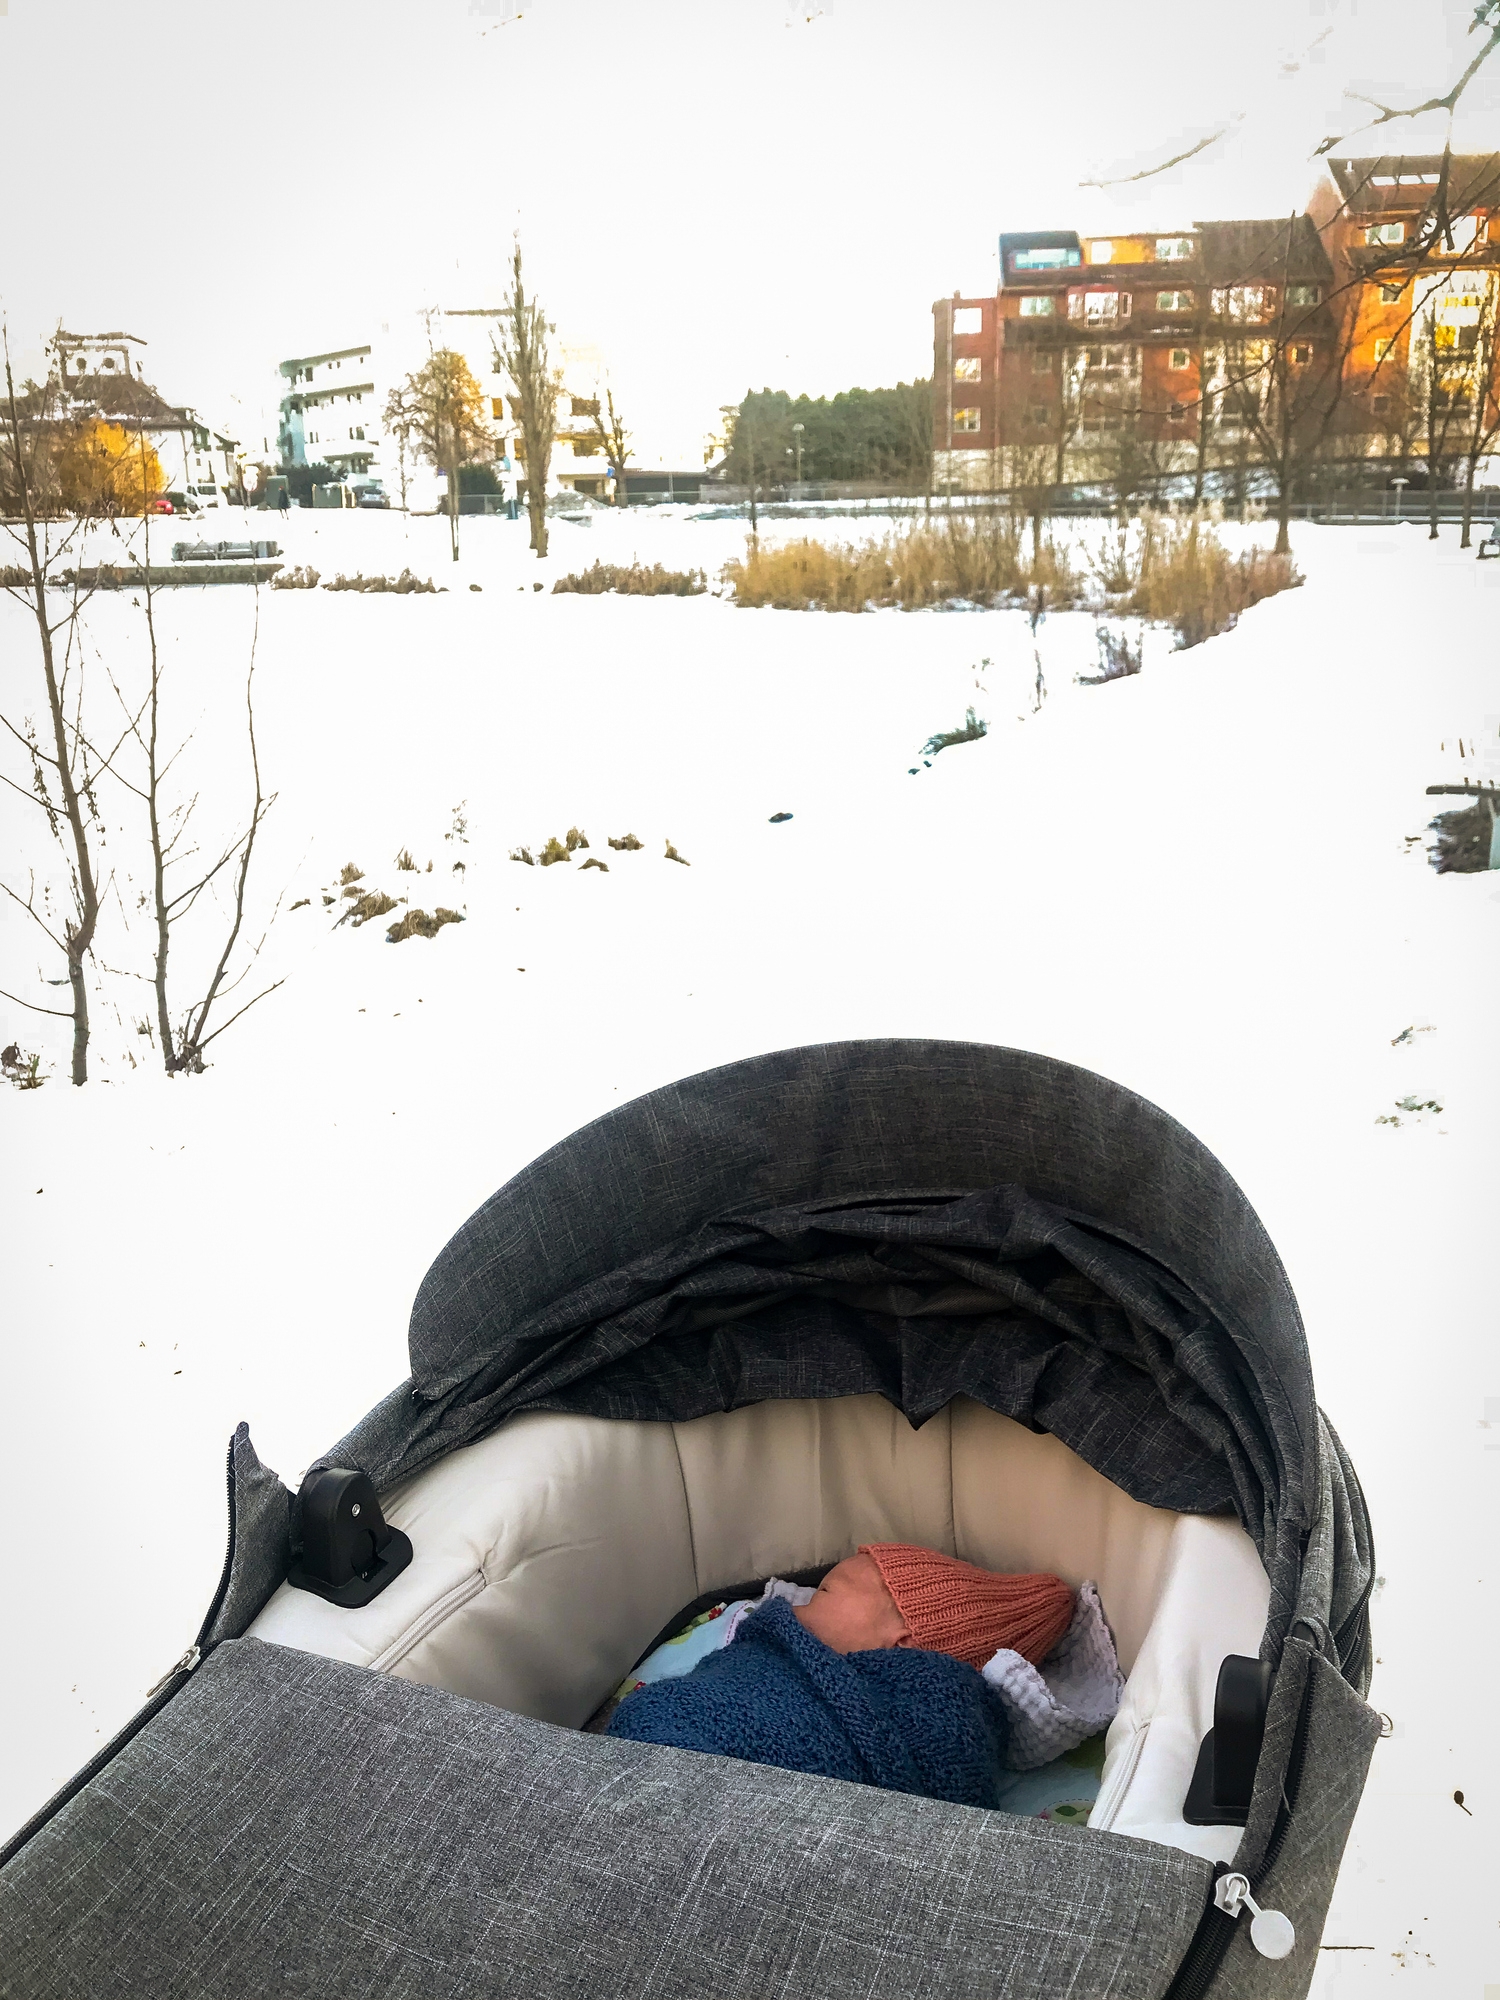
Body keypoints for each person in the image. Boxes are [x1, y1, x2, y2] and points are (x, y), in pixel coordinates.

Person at [606, 1545, 1073, 1806]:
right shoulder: (770, 1660)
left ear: (903, 1642)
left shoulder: (941, 1713)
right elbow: (721, 1697)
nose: (796, 1603)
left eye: (824, 1590)